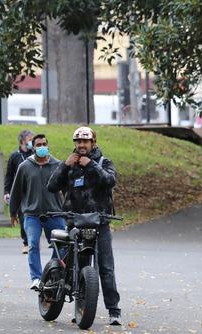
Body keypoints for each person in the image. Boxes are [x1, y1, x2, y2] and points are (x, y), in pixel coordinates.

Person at [47, 126, 121, 326]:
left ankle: (114, 311)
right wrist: (64, 165)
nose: (81, 145)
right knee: (75, 265)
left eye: (85, 141)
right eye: (78, 142)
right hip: (74, 222)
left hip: (100, 222)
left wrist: (91, 166)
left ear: (93, 143)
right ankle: (80, 308)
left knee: (105, 267)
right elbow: (51, 186)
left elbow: (110, 181)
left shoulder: (104, 162)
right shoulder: (70, 164)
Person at [9, 134, 66, 290]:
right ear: (33, 147)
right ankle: (36, 278)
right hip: (32, 214)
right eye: (38, 145)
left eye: (44, 144)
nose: (42, 147)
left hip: (54, 213)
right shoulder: (25, 166)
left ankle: (53, 274)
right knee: (33, 244)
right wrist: (13, 212)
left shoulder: (58, 165)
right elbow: (16, 191)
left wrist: (69, 209)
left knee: (62, 246)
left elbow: (66, 190)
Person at [4, 129, 34, 254]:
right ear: (22, 141)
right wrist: (6, 191)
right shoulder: (15, 156)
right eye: (30, 140)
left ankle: (35, 240)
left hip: (35, 190)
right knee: (23, 217)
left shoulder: (36, 153)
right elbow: (9, 175)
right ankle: (26, 242)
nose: (32, 142)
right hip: (21, 192)